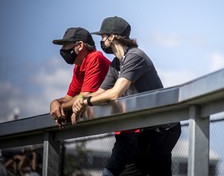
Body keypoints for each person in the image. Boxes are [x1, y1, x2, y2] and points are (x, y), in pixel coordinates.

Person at [72, 17, 181, 176]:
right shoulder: (115, 64)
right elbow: (101, 92)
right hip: (149, 129)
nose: (101, 41)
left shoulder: (135, 56)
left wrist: (87, 100)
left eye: (103, 36)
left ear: (113, 36)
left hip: (164, 129)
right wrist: (81, 103)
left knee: (134, 170)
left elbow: (115, 92)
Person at [50, 27, 110, 128]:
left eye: (66, 45)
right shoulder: (78, 66)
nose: (63, 50)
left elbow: (84, 96)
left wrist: (61, 108)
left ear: (80, 45)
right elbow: (69, 97)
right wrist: (55, 102)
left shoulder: (95, 58)